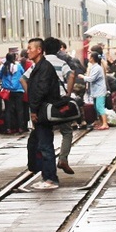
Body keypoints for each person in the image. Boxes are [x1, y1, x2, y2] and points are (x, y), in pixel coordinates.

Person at [26, 38, 61, 190]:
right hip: (41, 111)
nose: (28, 51)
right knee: (40, 144)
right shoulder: (39, 67)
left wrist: (33, 109)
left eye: (30, 48)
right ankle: (46, 175)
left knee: (45, 145)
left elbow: (41, 91)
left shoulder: (44, 68)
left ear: (39, 50)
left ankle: (50, 178)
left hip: (43, 112)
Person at [44, 37, 76, 175]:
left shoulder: (39, 64)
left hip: (45, 103)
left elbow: (24, 79)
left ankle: (48, 166)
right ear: (58, 49)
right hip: (60, 102)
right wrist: (68, 93)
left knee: (45, 133)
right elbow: (71, 76)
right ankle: (63, 159)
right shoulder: (61, 63)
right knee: (67, 132)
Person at [0, 51, 27, 134]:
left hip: (7, 91)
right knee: (19, 109)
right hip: (18, 90)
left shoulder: (4, 67)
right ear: (14, 58)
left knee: (8, 110)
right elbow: (23, 75)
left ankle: (8, 128)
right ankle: (20, 127)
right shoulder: (19, 66)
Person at [86, 52, 109, 130]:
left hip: (99, 91)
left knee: (100, 107)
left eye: (90, 57)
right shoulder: (94, 67)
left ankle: (105, 123)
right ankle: (101, 122)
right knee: (96, 107)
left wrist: (83, 77)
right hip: (96, 91)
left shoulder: (97, 68)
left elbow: (91, 79)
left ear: (92, 58)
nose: (89, 58)